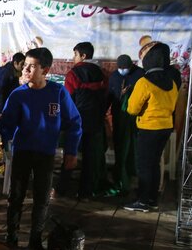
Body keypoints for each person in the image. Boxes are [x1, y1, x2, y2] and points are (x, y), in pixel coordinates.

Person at [0, 47, 82, 250]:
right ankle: (12, 236)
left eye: (32, 66)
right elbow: (7, 125)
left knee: (42, 198)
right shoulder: (18, 95)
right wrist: (1, 138)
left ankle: (35, 240)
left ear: (45, 70)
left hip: (46, 154)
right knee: (16, 196)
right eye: (25, 65)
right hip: (22, 152)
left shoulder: (58, 92)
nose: (25, 70)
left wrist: (71, 152)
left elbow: (74, 122)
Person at [124, 42, 178, 212]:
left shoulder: (144, 82)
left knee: (144, 165)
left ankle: (143, 201)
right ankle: (152, 199)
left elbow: (132, 109)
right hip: (165, 127)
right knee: (154, 164)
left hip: (149, 128)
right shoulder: (172, 82)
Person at [57, 42, 108, 200]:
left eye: (75, 54)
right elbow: (105, 96)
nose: (74, 58)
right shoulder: (101, 73)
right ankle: (85, 192)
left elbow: (68, 99)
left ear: (83, 56)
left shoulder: (73, 74)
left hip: (77, 121)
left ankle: (61, 190)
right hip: (96, 121)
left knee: (70, 155)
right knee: (90, 158)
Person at [106, 55, 144, 197]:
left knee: (133, 146)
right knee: (120, 145)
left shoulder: (140, 75)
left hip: (135, 119)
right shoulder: (114, 76)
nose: (122, 71)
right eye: (120, 68)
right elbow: (110, 94)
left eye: (125, 68)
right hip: (119, 117)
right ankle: (120, 174)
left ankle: (131, 173)